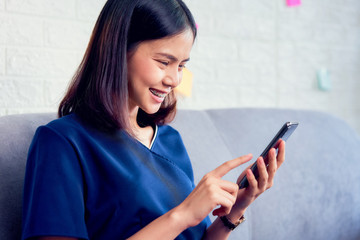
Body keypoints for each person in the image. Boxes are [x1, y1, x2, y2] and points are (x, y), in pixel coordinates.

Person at [21, 0, 286, 239]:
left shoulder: (170, 140)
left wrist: (234, 211)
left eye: (181, 65)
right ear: (118, 49)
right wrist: (181, 215)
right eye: (164, 62)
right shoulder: (63, 142)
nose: (174, 80)